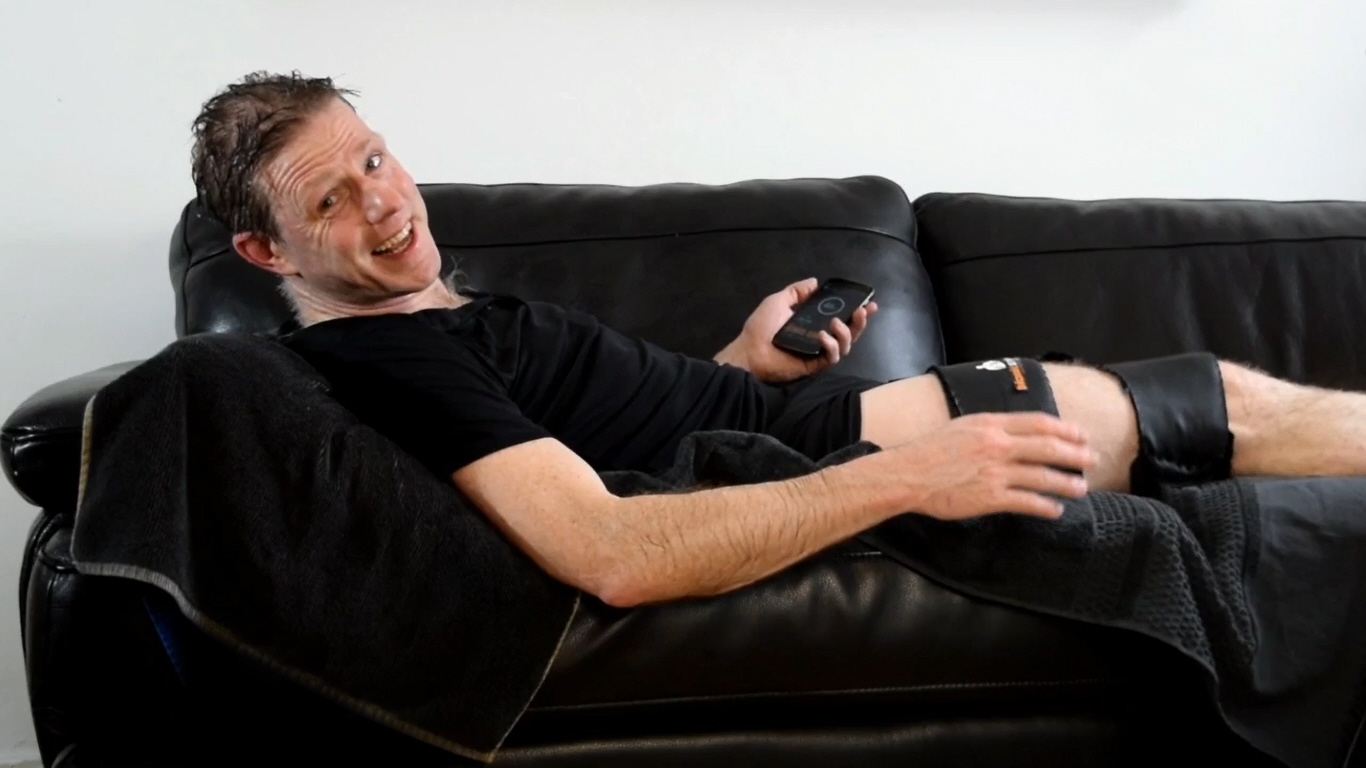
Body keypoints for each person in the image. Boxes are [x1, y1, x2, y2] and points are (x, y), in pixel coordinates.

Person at [191, 72, 1366, 609]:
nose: (386, 203)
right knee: (1230, 408)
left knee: (1243, 431)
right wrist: (909, 473)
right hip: (861, 442)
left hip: (806, 416)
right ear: (264, 252)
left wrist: (741, 366)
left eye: (374, 157)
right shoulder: (385, 359)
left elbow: (608, 437)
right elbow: (608, 549)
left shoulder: (427, 319)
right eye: (332, 200)